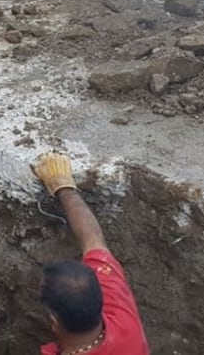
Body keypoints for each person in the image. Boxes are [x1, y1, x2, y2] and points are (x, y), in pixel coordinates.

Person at [32, 152, 149, 355]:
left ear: (54, 321)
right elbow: (93, 239)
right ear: (100, 299)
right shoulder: (123, 320)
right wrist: (64, 187)